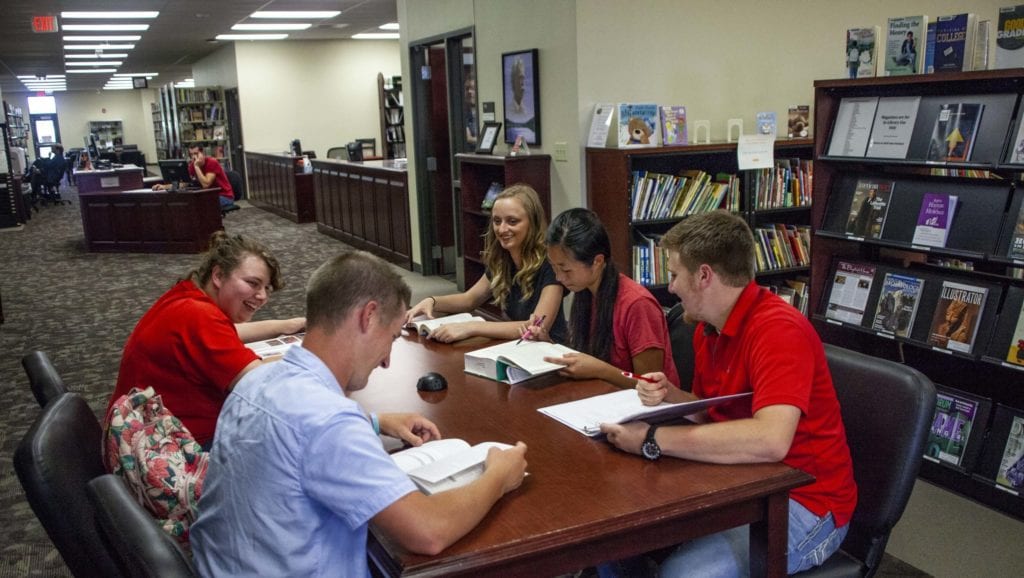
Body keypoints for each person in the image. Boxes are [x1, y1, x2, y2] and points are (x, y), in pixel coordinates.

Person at [191, 250, 528, 576]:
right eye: (392, 337)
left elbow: (291, 437)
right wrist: (499, 475)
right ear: (367, 316)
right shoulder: (328, 420)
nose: (386, 360)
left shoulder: (258, 380)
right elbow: (429, 532)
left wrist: (375, 422)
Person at [600, 210, 857, 576]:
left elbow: (771, 440)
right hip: (742, 481)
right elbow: (714, 415)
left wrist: (652, 438)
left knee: (682, 574)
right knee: (612, 540)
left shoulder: (778, 330)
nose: (670, 287)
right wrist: (674, 395)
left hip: (807, 501)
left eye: (674, 275)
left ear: (704, 275)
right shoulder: (710, 328)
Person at [107, 231, 305, 448]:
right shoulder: (201, 316)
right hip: (174, 448)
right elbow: (262, 381)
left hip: (139, 434)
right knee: (297, 436)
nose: (262, 296)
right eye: (253, 283)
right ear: (218, 276)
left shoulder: (186, 298)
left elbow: (230, 333)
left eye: (266, 288)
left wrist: (286, 326)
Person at [405, 184, 567, 343]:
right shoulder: (503, 259)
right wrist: (432, 301)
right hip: (517, 346)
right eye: (497, 221)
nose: (502, 229)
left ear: (533, 223)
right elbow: (470, 299)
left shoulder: (550, 263)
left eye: (512, 221)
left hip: (548, 350)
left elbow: (536, 326)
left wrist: (471, 327)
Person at [538, 208, 679, 389]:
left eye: (565, 270)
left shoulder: (637, 304)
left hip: (648, 407)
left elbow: (650, 383)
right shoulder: (586, 291)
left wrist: (600, 370)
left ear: (597, 262)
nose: (558, 277)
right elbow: (584, 357)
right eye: (554, 267)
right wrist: (548, 345)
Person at [154, 144, 235, 208]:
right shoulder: (192, 165)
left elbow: (206, 184)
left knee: (198, 205)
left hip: (224, 196)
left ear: (203, 153)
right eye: (191, 154)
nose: (193, 157)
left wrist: (196, 166)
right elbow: (185, 183)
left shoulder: (212, 162)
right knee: (186, 202)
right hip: (208, 195)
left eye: (196, 154)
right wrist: (165, 187)